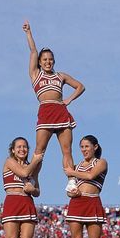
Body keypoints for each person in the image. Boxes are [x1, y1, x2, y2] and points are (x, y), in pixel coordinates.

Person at [23, 21, 85, 191]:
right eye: (45, 60)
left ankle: (71, 180)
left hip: (61, 111)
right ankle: (34, 179)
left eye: (50, 59)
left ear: (54, 61)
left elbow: (80, 86)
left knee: (67, 150)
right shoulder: (35, 75)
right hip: (45, 111)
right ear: (40, 62)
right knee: (39, 151)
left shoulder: (61, 76)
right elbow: (33, 51)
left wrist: (69, 99)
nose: (48, 62)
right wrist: (29, 33)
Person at [64, 135, 108, 238]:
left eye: (87, 146)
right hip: (76, 203)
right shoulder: (77, 166)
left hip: (92, 202)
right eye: (82, 147)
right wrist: (73, 193)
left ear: (95, 147)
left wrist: (71, 172)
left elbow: (90, 175)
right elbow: (69, 191)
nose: (84, 149)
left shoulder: (101, 162)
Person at [2, 136, 43, 238]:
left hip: (27, 203)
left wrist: (33, 190)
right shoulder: (9, 161)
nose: (22, 149)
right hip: (12, 202)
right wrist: (35, 161)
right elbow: (24, 172)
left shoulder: (32, 167)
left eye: (25, 146)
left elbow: (37, 191)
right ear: (13, 150)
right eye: (19, 147)